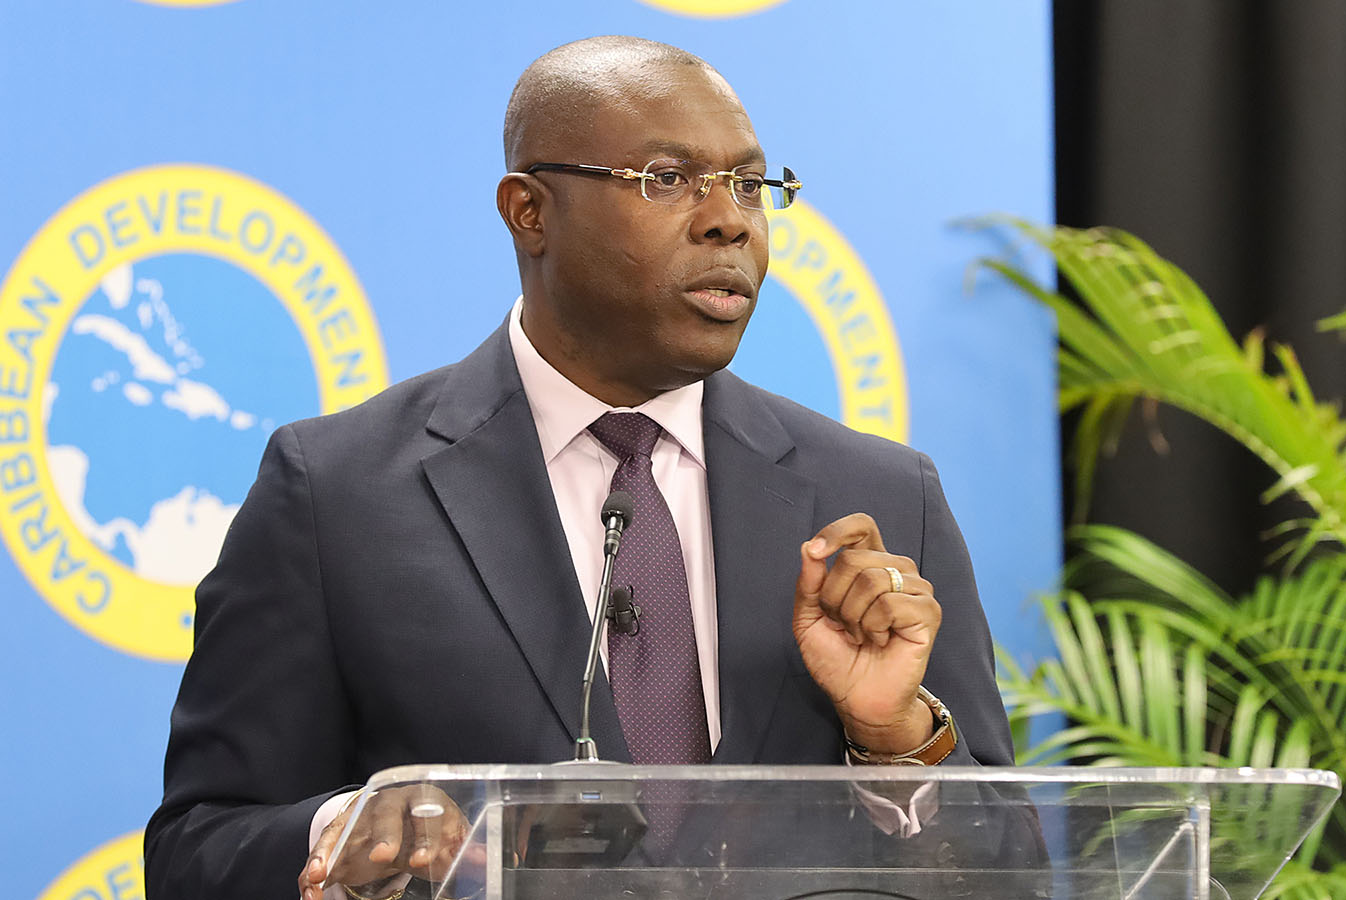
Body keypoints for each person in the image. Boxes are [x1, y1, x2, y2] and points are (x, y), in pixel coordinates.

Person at [144, 36, 1020, 900]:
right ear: (530, 211)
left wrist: (895, 735)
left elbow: (1012, 877)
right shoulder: (335, 493)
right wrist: (348, 828)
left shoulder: (878, 497)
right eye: (668, 180)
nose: (729, 219)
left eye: (750, 185)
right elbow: (196, 850)